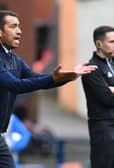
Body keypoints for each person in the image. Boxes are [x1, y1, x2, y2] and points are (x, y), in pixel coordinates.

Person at [0, 10, 97, 168]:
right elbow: (15, 85)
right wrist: (53, 77)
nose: (19, 31)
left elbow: (37, 79)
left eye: (19, 26)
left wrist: (67, 77)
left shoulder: (15, 60)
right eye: (13, 26)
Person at [81, 26, 114, 168]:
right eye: (112, 42)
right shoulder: (92, 68)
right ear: (99, 44)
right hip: (103, 127)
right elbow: (107, 99)